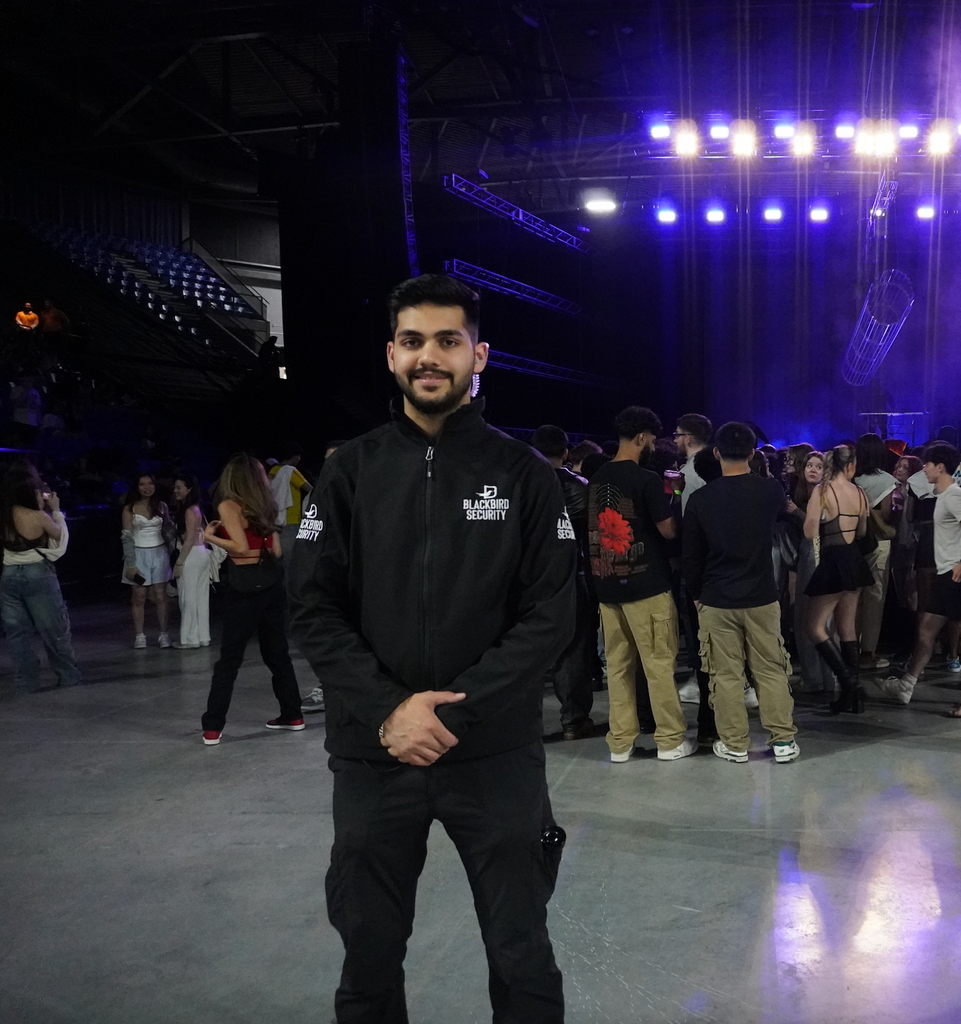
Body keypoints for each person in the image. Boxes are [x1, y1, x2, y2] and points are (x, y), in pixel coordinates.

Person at [287, 273, 575, 1024]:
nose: (429, 357)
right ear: (390, 355)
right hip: (374, 755)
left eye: (448, 341)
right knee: (369, 955)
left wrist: (459, 711)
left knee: (522, 953)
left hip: (494, 756)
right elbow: (311, 608)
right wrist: (389, 712)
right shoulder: (347, 471)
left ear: (479, 355)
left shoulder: (525, 476)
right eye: (412, 341)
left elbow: (549, 614)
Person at [682, 422, 799, 763]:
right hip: (762, 595)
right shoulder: (770, 491)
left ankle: (734, 744)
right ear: (752, 453)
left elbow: (692, 555)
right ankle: (782, 742)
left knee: (725, 674)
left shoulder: (701, 499)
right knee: (771, 669)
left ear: (716, 453)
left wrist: (697, 594)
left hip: (717, 597)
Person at [588, 405, 695, 762]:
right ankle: (669, 740)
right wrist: (677, 495)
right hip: (646, 584)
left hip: (607, 586)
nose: (652, 445)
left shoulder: (598, 475)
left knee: (617, 667)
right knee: (658, 665)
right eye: (650, 439)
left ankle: (620, 742)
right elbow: (667, 530)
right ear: (640, 438)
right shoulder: (647, 479)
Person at [200, 453, 303, 745]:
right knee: (277, 655)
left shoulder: (229, 505)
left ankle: (212, 727)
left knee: (229, 661)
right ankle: (292, 714)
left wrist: (211, 538)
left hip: (244, 589)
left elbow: (241, 548)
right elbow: (278, 553)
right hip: (270, 585)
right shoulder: (266, 506)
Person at [878, 445, 961, 709]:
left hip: (953, 576)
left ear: (940, 467)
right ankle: (906, 685)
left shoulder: (954, 495)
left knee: (930, 631)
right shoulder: (943, 495)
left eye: (927, 464)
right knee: (926, 631)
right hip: (944, 574)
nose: (923, 468)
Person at [531, 423, 594, 739]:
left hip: (528, 581)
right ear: (566, 453)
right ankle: (573, 720)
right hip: (570, 576)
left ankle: (526, 724)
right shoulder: (578, 485)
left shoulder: (518, 481)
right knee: (572, 651)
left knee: (526, 652)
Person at [803, 446, 874, 713]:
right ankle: (850, 696)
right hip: (854, 559)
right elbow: (862, 531)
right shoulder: (860, 493)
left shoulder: (822, 490)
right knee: (847, 628)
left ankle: (850, 685)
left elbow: (810, 532)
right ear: (852, 466)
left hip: (834, 560)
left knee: (814, 627)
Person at [0, 466, 81, 692]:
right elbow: (61, 538)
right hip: (38, 574)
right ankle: (68, 676)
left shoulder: (4, 515)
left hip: (8, 576)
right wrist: (56, 511)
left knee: (17, 634)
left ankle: (26, 682)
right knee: (54, 628)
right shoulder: (38, 516)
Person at [785, 450, 835, 692]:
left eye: (819, 466)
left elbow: (816, 527)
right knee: (805, 616)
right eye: (809, 465)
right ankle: (813, 675)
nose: (813, 470)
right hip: (805, 557)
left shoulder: (826, 493)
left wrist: (795, 512)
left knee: (818, 619)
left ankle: (823, 678)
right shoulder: (801, 492)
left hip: (817, 557)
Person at [854, 433, 898, 670]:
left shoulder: (852, 478)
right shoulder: (887, 480)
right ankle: (867, 653)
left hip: (852, 540)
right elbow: (887, 514)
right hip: (878, 542)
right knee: (875, 597)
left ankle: (849, 648)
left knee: (853, 597)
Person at [121, 473, 174, 648]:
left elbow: (168, 531)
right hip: (138, 555)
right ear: (137, 487)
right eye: (142, 484)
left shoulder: (162, 506)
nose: (147, 487)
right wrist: (131, 564)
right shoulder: (129, 509)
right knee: (139, 596)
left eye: (150, 483)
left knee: (161, 595)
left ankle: (164, 634)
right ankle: (140, 636)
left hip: (159, 554)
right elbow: (127, 538)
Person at [170, 474, 211, 649]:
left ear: (189, 489)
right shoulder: (197, 508)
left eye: (179, 487)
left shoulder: (189, 510)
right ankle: (203, 636)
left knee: (187, 597)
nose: (175, 490)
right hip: (202, 554)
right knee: (201, 597)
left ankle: (189, 639)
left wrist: (179, 563)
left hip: (191, 554)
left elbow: (188, 539)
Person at [268, 443, 310, 559]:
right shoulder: (290, 471)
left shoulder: (273, 470)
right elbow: (310, 489)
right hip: (291, 518)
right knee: (291, 557)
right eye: (298, 456)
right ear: (293, 456)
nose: (299, 459)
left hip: (275, 518)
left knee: (278, 555)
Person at [674, 413, 713, 514]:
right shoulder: (719, 465)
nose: (675, 440)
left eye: (677, 435)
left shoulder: (687, 474)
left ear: (687, 438)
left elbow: (687, 516)